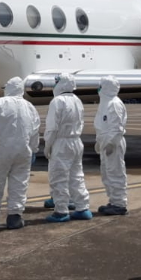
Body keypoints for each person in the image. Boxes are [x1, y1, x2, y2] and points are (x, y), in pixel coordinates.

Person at [0, 77, 40, 230]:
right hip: (23, 151)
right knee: (19, 183)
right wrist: (34, 149)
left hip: (1, 150)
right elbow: (35, 131)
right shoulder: (30, 106)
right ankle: (15, 217)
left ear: (9, 88)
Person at [43, 73, 92, 222]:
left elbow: (52, 127)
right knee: (76, 177)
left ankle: (61, 211)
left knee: (59, 177)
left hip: (61, 143)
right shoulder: (77, 100)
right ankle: (82, 207)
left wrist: (48, 145)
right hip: (76, 141)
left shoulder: (57, 101)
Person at [94, 76, 128, 216]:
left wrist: (111, 143)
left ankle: (120, 204)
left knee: (116, 173)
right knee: (107, 173)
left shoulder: (114, 103)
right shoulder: (106, 103)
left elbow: (117, 127)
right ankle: (113, 201)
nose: (99, 88)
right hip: (106, 142)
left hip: (113, 143)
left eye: (101, 85)